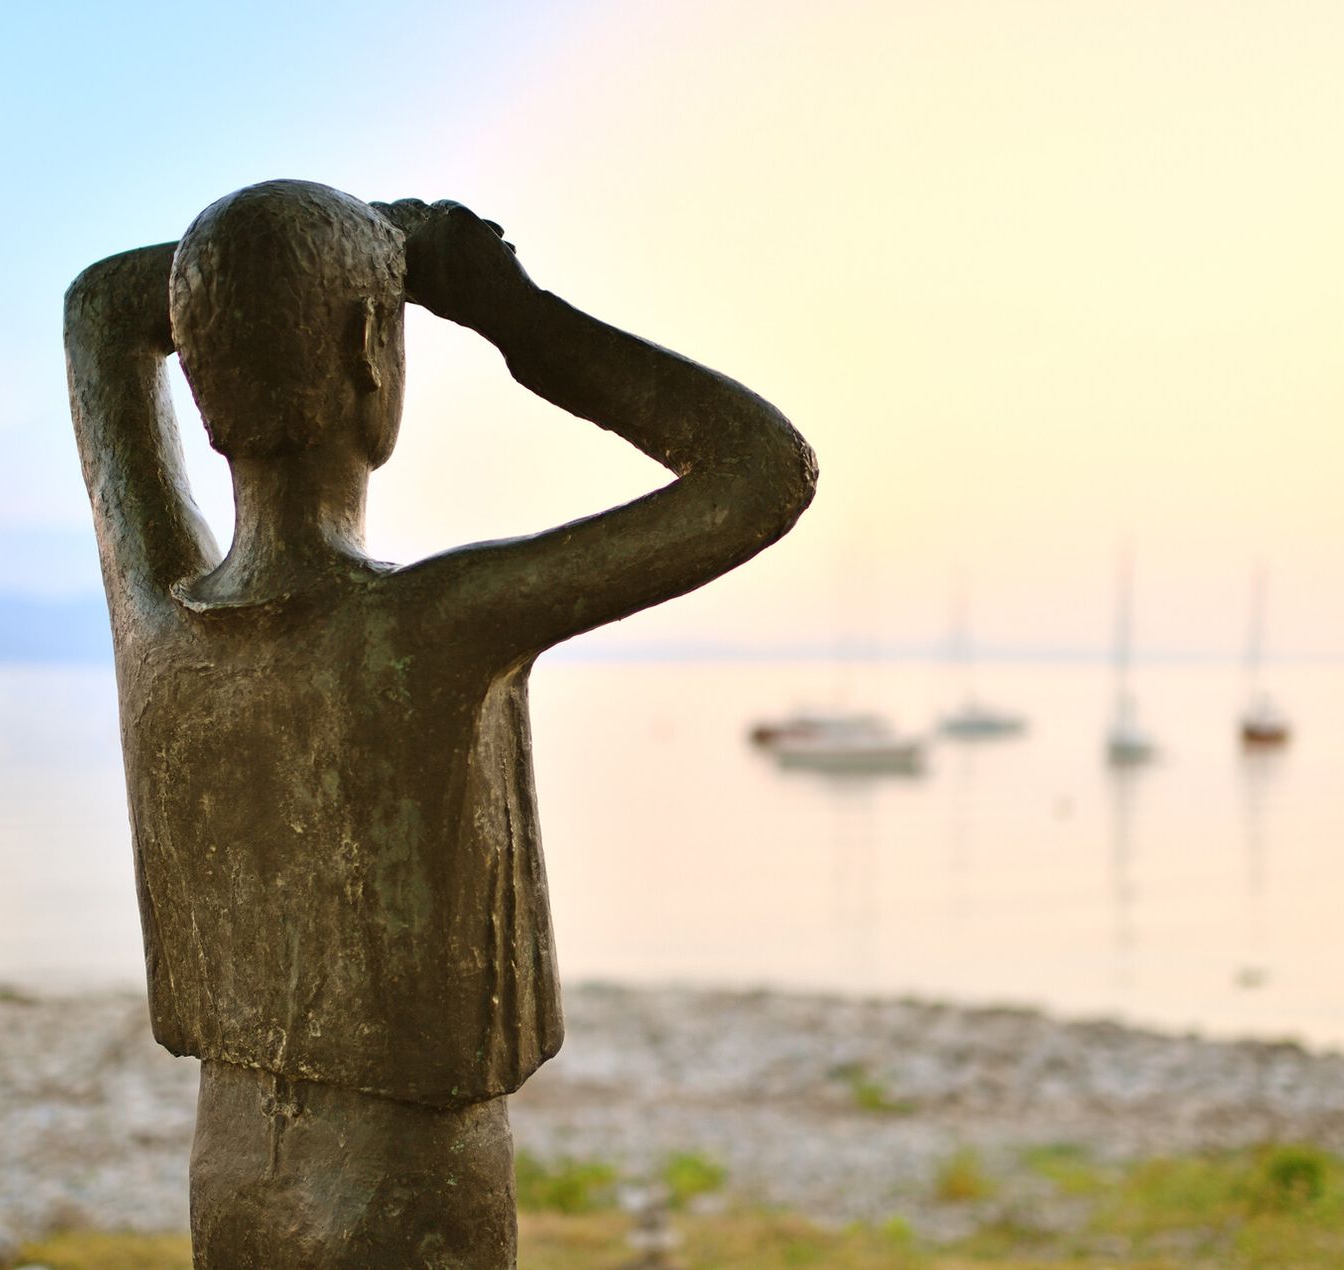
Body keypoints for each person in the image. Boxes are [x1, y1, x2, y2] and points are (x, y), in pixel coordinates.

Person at [64, 180, 815, 1267]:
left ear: (201, 368)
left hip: (228, 1175)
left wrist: (293, 267)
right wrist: (503, 307)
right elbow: (761, 472)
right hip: (406, 1188)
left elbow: (98, 310)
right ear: (375, 350)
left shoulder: (159, 620)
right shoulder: (435, 625)